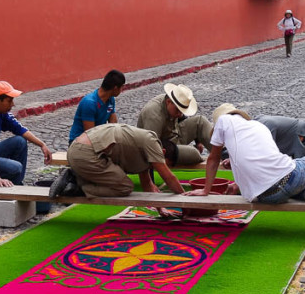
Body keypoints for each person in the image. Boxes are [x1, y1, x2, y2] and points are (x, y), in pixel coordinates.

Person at [187, 104, 305, 215]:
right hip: (288, 180)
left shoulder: (223, 122)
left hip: (266, 197)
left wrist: (205, 190)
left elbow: (214, 158)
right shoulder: (258, 126)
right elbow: (266, 157)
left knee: (282, 179)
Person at [51, 123, 185, 198]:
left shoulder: (144, 149)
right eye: (165, 162)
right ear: (163, 152)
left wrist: (161, 209)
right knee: (125, 186)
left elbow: (148, 186)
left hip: (78, 151)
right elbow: (169, 177)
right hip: (85, 154)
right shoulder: (152, 142)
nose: (159, 167)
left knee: (117, 180)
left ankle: (74, 177)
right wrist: (185, 198)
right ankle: (78, 186)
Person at [136, 83, 212, 166]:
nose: (180, 114)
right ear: (168, 102)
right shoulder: (154, 115)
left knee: (200, 121)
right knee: (194, 153)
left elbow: (182, 118)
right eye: (178, 110)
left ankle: (223, 153)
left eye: (182, 111)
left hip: (175, 135)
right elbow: (151, 147)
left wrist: (198, 141)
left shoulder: (172, 102)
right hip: (166, 149)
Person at [68, 70, 125, 144]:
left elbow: (113, 124)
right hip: (80, 143)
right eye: (121, 87)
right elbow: (90, 134)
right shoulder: (89, 103)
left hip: (97, 137)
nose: (121, 90)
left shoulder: (110, 99)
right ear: (115, 88)